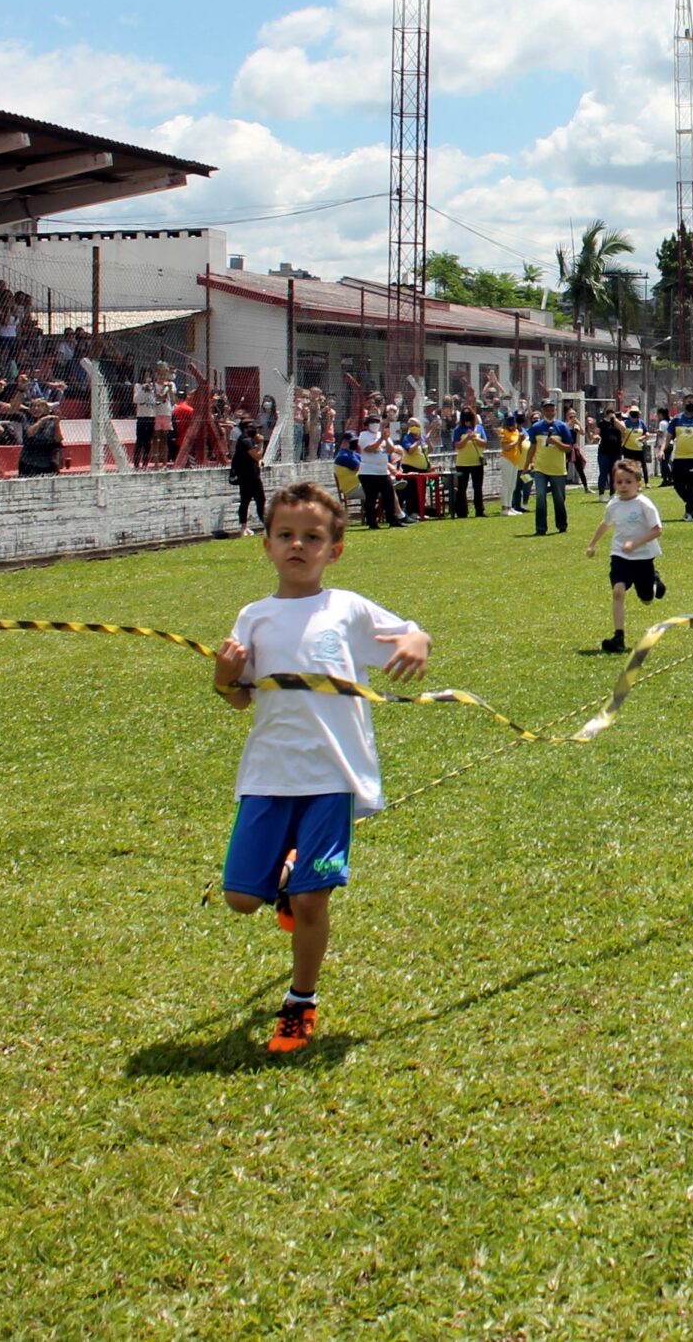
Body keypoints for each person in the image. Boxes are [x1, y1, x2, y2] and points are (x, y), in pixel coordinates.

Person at [212, 481, 431, 1054]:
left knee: (314, 900)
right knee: (239, 898)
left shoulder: (347, 610)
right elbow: (239, 696)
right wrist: (223, 678)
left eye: (312, 538)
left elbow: (411, 632)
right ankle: (283, 881)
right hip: (268, 774)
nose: (297, 546)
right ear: (266, 545)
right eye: (285, 535)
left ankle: (300, 1001)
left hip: (331, 776)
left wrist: (418, 643)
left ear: (334, 550)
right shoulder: (253, 617)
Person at [586, 457, 667, 654]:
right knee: (618, 591)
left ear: (638, 484)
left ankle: (655, 581)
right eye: (619, 482)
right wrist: (592, 544)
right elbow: (605, 524)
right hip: (620, 556)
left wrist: (636, 543)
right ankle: (618, 637)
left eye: (628, 482)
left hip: (643, 557)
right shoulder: (613, 504)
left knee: (647, 599)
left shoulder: (644, 504)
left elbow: (657, 530)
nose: (623, 486)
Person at [525, 399, 574, 534]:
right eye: (547, 410)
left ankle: (561, 525)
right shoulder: (536, 427)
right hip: (540, 468)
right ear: (542, 411)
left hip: (557, 469)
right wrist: (526, 466)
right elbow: (532, 448)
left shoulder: (562, 427)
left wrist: (556, 443)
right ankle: (540, 528)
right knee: (540, 497)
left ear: (555, 411)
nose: (550, 412)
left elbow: (569, 448)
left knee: (559, 499)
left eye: (552, 410)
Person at [354, 411, 403, 529]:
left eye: (377, 422)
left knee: (389, 495)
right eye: (372, 422)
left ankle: (392, 520)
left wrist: (386, 439)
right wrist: (381, 439)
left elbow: (391, 450)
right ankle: (372, 522)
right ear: (366, 425)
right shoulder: (364, 435)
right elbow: (369, 448)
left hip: (382, 471)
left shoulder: (382, 434)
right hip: (368, 472)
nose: (375, 424)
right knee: (371, 498)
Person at [230, 416, 266, 534]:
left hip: (246, 476)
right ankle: (265, 525)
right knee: (259, 500)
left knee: (246, 501)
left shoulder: (245, 440)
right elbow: (257, 456)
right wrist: (261, 444)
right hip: (251, 477)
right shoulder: (246, 441)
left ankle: (244, 527)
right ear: (246, 429)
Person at [449, 407, 487, 517]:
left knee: (478, 488)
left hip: (477, 462)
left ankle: (479, 510)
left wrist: (475, 438)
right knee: (462, 488)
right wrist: (466, 439)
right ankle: (462, 511)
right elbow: (457, 446)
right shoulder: (458, 429)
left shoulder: (479, 428)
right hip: (462, 463)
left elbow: (484, 443)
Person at [19, 399, 63, 477]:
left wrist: (57, 425)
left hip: (47, 462)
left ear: (46, 409)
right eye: (33, 406)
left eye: (39, 406)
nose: (36, 408)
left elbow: (58, 439)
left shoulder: (51, 423)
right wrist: (41, 421)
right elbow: (30, 433)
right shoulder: (27, 419)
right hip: (29, 462)